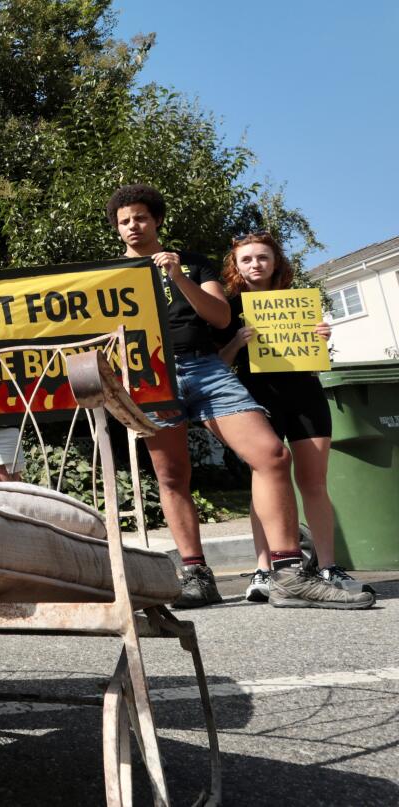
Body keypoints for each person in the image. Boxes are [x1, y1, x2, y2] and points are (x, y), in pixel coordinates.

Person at [106, 184, 371, 610]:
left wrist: (176, 275)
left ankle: (287, 574)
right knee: (172, 477)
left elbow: (220, 315)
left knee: (271, 455)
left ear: (156, 221)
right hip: (151, 375)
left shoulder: (192, 264)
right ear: (117, 229)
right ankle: (196, 575)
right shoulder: (109, 275)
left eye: (140, 217)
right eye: (124, 221)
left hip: (205, 367)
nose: (133, 226)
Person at [217, 231, 374, 600]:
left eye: (262, 257)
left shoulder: (297, 303)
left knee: (314, 481)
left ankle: (328, 566)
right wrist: (237, 341)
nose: (255, 264)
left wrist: (320, 339)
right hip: (256, 401)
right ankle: (262, 569)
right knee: (265, 481)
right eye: (247, 259)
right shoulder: (228, 310)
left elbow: (316, 363)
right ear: (236, 266)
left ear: (275, 262)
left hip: (305, 396)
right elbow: (218, 366)